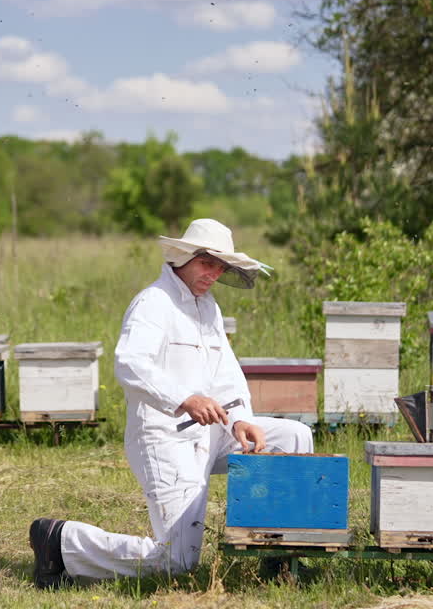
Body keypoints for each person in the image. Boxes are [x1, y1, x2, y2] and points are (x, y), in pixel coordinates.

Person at [29, 218, 315, 588]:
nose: (213, 274)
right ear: (183, 257)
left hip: (213, 432)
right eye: (206, 264)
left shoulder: (208, 308)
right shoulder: (153, 302)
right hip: (165, 438)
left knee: (293, 437)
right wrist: (184, 399)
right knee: (178, 561)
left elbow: (227, 375)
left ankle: (280, 560)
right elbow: (130, 363)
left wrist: (241, 419)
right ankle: (61, 541)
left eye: (220, 267)